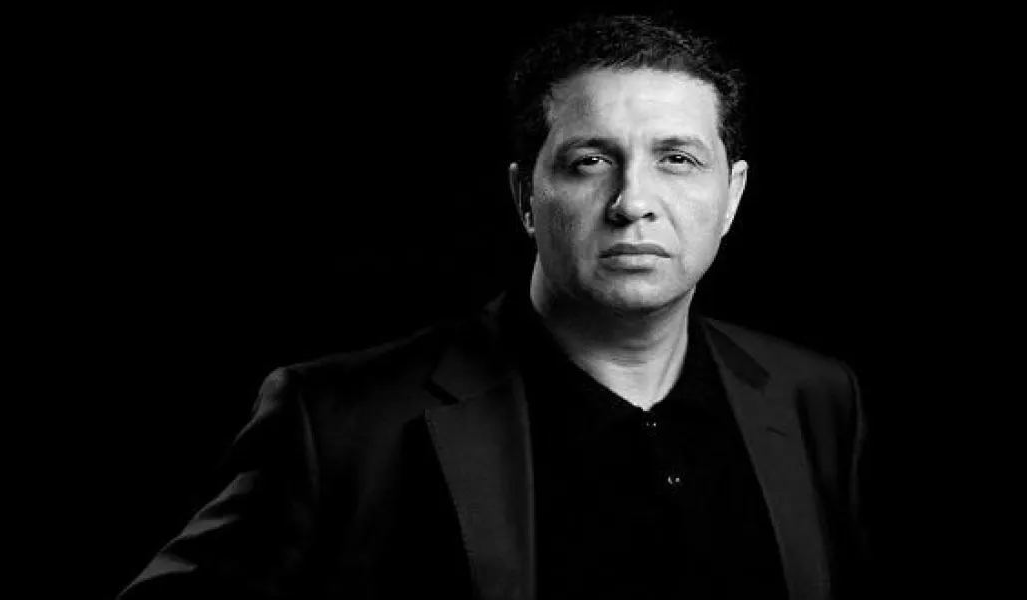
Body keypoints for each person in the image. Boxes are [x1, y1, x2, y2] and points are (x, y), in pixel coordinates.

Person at [118, 13, 870, 600]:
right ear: (524, 197)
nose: (632, 202)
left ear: (731, 196)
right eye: (591, 161)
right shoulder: (338, 420)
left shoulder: (816, 398)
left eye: (677, 159)